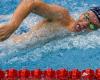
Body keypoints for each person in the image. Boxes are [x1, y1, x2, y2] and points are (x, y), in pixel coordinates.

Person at [0, 0, 100, 42]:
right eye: (86, 18)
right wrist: (12, 26)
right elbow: (30, 3)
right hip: (8, 42)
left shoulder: (81, 39)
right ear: (83, 13)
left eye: (92, 26)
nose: (84, 25)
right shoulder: (63, 16)